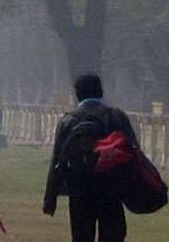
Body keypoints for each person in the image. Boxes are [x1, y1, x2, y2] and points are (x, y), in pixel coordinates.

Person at [43, 73, 139, 242]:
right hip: (111, 189)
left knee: (81, 236)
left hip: (79, 189)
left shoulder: (68, 120)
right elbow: (133, 153)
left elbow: (57, 160)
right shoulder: (116, 117)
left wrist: (50, 197)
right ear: (101, 91)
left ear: (77, 94)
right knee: (112, 236)